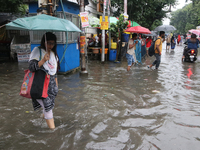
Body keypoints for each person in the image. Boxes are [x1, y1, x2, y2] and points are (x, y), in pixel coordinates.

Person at [29, 32, 59, 129]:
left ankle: (43, 120)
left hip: (51, 88)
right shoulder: (37, 51)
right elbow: (31, 67)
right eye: (48, 43)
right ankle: (53, 132)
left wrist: (56, 87)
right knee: (48, 108)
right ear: (44, 41)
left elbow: (54, 72)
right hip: (40, 86)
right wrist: (43, 60)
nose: (50, 45)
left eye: (53, 43)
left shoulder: (53, 54)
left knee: (49, 107)